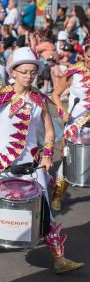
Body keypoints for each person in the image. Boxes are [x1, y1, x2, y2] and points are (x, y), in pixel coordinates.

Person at [0, 47, 84, 273]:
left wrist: (46, 156)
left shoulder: (39, 99)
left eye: (32, 72)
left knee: (46, 212)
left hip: (33, 168)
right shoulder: (0, 98)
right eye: (23, 71)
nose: (28, 76)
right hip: (4, 166)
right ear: (13, 72)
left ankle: (59, 259)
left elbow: (50, 131)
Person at [50, 41, 90, 211]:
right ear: (84, 54)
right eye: (89, 56)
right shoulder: (74, 72)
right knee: (69, 159)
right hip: (77, 125)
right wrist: (63, 112)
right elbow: (55, 94)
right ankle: (57, 194)